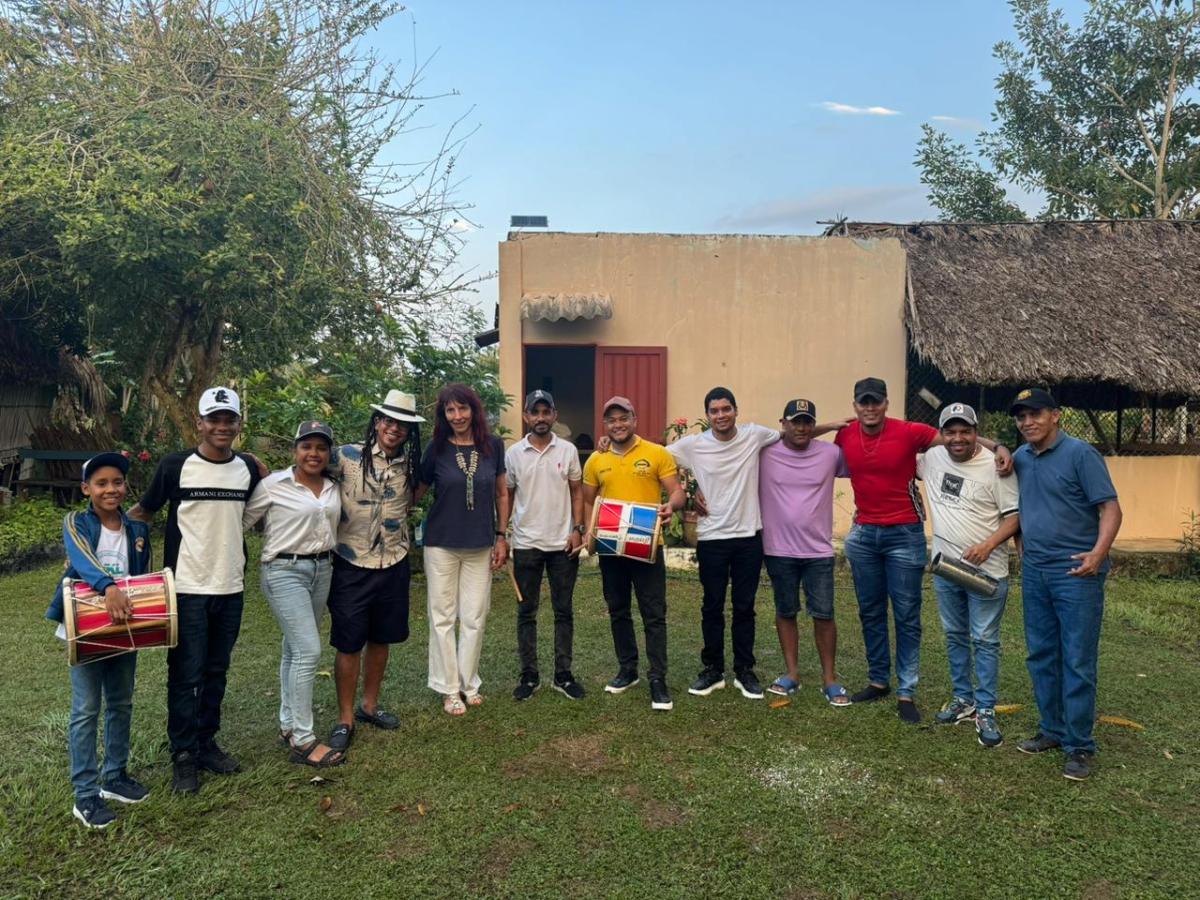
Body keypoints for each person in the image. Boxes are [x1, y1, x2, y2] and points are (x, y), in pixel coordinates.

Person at [834, 377, 1011, 724]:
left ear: (886, 403)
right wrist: (829, 424)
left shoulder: (909, 432)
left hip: (904, 535)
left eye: (876, 401)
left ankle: (906, 690)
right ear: (855, 406)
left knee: (906, 615)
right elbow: (799, 437)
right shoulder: (844, 435)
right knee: (870, 611)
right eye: (863, 402)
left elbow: (956, 437)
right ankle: (878, 680)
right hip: (864, 535)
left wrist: (1000, 446)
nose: (870, 408)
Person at [130, 386, 261, 793]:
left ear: (238, 424)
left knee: (216, 670)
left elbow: (266, 505)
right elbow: (142, 513)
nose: (222, 426)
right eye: (214, 419)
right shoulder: (175, 466)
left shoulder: (248, 469)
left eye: (229, 419)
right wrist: (95, 539)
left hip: (231, 585)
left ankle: (206, 744)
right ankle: (183, 754)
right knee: (186, 673)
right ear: (199, 422)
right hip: (185, 587)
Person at [1009, 388, 1122, 780]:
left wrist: (1098, 553)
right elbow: (1021, 506)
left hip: (1077, 574)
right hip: (1036, 572)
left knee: (1077, 659)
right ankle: (1052, 730)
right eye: (1021, 417)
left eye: (1035, 414)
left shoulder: (1080, 454)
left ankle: (1079, 746)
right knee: (1041, 654)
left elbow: (1110, 508)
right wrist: (1020, 542)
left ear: (1055, 415)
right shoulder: (1021, 457)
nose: (1028, 422)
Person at [47, 452, 152, 828]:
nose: (111, 489)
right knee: (86, 709)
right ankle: (86, 794)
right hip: (85, 626)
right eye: (101, 483)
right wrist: (108, 587)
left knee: (121, 703)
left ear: (126, 486)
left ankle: (115, 777)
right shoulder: (76, 522)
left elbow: (141, 578)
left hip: (123, 627)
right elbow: (80, 557)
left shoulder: (137, 530)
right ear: (86, 488)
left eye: (117, 482)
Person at [324, 390, 423, 752]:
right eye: (389, 420)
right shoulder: (346, 456)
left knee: (381, 638)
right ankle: (345, 718)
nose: (394, 428)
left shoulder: (412, 465)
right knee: (349, 641)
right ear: (378, 422)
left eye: (403, 424)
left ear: (410, 432)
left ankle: (369, 705)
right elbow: (306, 467)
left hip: (393, 561)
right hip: (351, 562)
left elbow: (415, 497)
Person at [666, 387, 778, 701]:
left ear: (736, 410)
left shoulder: (754, 435)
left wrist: (834, 425)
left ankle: (744, 671)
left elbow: (795, 432)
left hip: (748, 537)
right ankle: (713, 669)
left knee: (744, 607)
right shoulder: (693, 445)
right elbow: (656, 456)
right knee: (712, 606)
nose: (721, 415)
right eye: (714, 411)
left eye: (726, 409)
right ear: (707, 416)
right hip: (712, 537)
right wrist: (690, 491)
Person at [243, 420, 344, 767]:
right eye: (306, 446)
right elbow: (242, 522)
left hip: (323, 568)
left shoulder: (333, 487)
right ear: (295, 450)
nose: (313, 454)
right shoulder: (273, 485)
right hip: (284, 570)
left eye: (321, 448)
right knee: (308, 650)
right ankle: (303, 740)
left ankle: (288, 724)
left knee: (293, 649)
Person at [918, 403, 1020, 748]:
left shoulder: (997, 467)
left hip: (986, 573)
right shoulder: (931, 458)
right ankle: (963, 699)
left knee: (985, 639)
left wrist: (988, 545)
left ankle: (986, 708)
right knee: (954, 635)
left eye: (965, 431)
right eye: (951, 432)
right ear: (941, 434)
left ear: (977, 432)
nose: (958, 438)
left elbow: (1015, 517)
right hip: (946, 568)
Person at [582, 396, 685, 711]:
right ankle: (628, 670)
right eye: (611, 420)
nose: (618, 425)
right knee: (618, 610)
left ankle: (657, 678)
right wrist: (588, 532)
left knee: (654, 613)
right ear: (605, 425)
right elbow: (588, 500)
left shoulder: (656, 453)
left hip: (647, 545)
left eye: (623, 418)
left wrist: (671, 506)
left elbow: (677, 491)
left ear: (634, 420)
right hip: (611, 546)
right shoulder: (596, 460)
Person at [416, 383, 509, 716]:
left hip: (480, 543)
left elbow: (501, 493)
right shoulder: (436, 448)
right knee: (442, 616)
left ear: (474, 410)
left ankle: (470, 683)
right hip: (441, 543)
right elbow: (417, 491)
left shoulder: (493, 446)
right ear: (443, 415)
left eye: (462, 408)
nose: (457, 416)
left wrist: (501, 535)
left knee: (474, 616)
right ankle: (449, 688)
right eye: (450, 410)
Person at [759, 398, 853, 706]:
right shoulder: (765, 452)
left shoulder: (831, 454)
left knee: (824, 614)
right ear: (783, 423)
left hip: (818, 551)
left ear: (813, 425)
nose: (801, 427)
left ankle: (830, 679)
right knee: (786, 611)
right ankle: (792, 674)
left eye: (807, 422)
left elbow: (863, 466)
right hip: (778, 549)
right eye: (795, 421)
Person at [506, 390, 586, 701]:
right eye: (534, 412)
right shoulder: (514, 454)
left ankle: (563, 675)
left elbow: (577, 492)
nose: (540, 418)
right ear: (526, 416)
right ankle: (529, 675)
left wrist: (577, 530)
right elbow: (508, 495)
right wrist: (502, 533)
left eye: (545, 411)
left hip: (562, 545)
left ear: (554, 415)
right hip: (526, 544)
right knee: (526, 612)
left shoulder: (567, 450)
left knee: (563, 610)